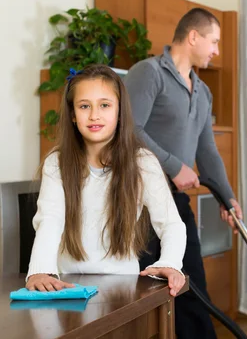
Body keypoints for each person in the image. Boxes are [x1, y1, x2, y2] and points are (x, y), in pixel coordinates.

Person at [124, 7, 243, 339]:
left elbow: (207, 151)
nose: (217, 51)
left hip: (174, 204)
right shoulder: (148, 73)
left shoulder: (203, 92)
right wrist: (175, 166)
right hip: (139, 205)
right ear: (193, 37)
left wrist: (227, 196)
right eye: (214, 42)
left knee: (193, 288)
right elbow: (128, 130)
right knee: (146, 295)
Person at [25, 64, 187, 298]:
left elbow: (171, 224)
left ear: (120, 111)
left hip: (125, 290)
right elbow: (49, 220)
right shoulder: (56, 163)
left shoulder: (143, 162)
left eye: (104, 105)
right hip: (69, 289)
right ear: (72, 114)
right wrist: (40, 271)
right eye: (84, 106)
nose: (94, 115)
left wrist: (170, 263)